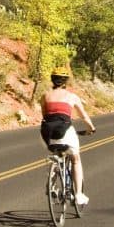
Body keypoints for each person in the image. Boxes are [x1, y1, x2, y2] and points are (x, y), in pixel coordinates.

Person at [40, 64, 96, 206]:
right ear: (66, 81)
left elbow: (45, 115)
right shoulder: (72, 97)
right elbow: (84, 117)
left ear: (52, 80)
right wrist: (91, 128)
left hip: (47, 132)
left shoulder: (44, 96)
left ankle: (51, 184)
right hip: (64, 130)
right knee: (75, 159)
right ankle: (78, 195)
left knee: (57, 156)